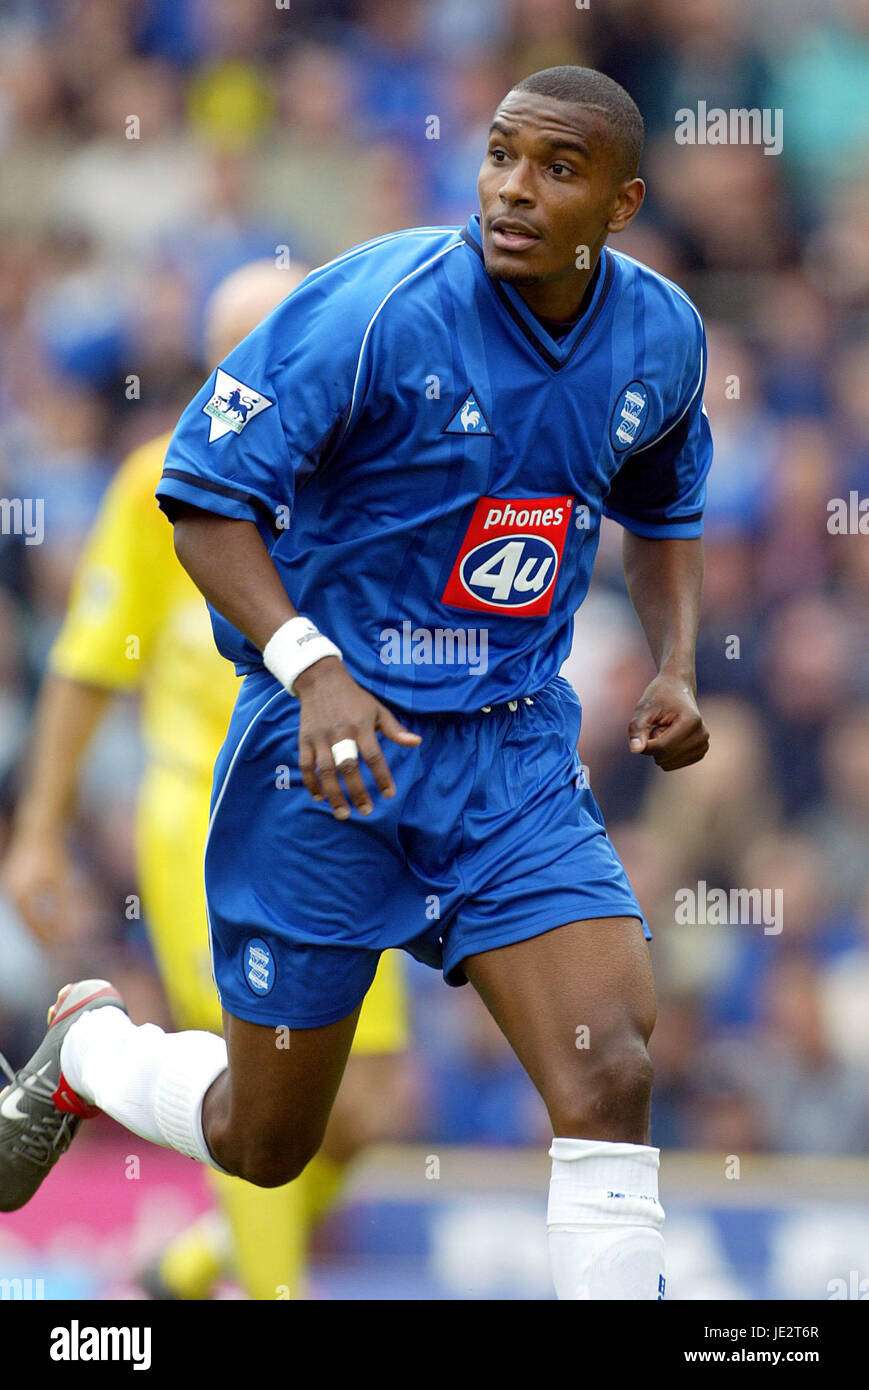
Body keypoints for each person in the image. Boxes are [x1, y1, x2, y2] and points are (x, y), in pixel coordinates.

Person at [0, 65, 712, 1301]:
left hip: (508, 759)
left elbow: (661, 505)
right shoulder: (374, 308)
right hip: (323, 757)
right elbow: (202, 494)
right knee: (266, 1143)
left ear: (622, 201)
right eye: (499, 155)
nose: (511, 188)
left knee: (607, 1072)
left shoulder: (662, 334)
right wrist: (312, 666)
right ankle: (95, 1047)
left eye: (556, 169)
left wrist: (677, 662)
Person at [1, 261, 411, 1300]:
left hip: (351, 815)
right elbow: (91, 658)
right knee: (267, 1071)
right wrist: (41, 827)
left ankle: (189, 1267)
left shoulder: (360, 477)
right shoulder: (160, 481)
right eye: (247, 343)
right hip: (208, 814)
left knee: (364, 1108)